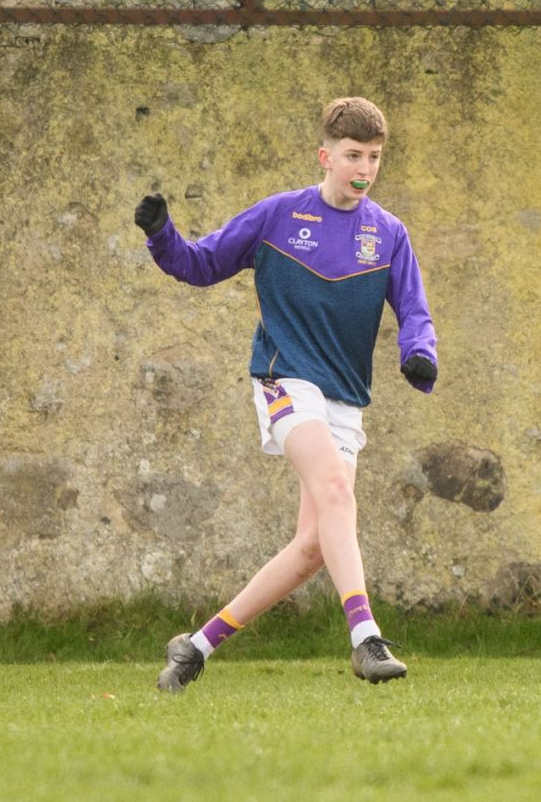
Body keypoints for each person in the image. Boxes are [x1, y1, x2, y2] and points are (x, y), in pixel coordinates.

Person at [134, 97, 438, 692]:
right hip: (284, 377)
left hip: (344, 400)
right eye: (353, 155)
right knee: (333, 491)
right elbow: (200, 263)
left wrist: (417, 354)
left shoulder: (388, 234)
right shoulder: (277, 217)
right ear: (325, 156)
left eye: (375, 157)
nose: (365, 168)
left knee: (311, 547)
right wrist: (161, 234)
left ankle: (195, 647)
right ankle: (365, 638)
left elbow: (414, 311)